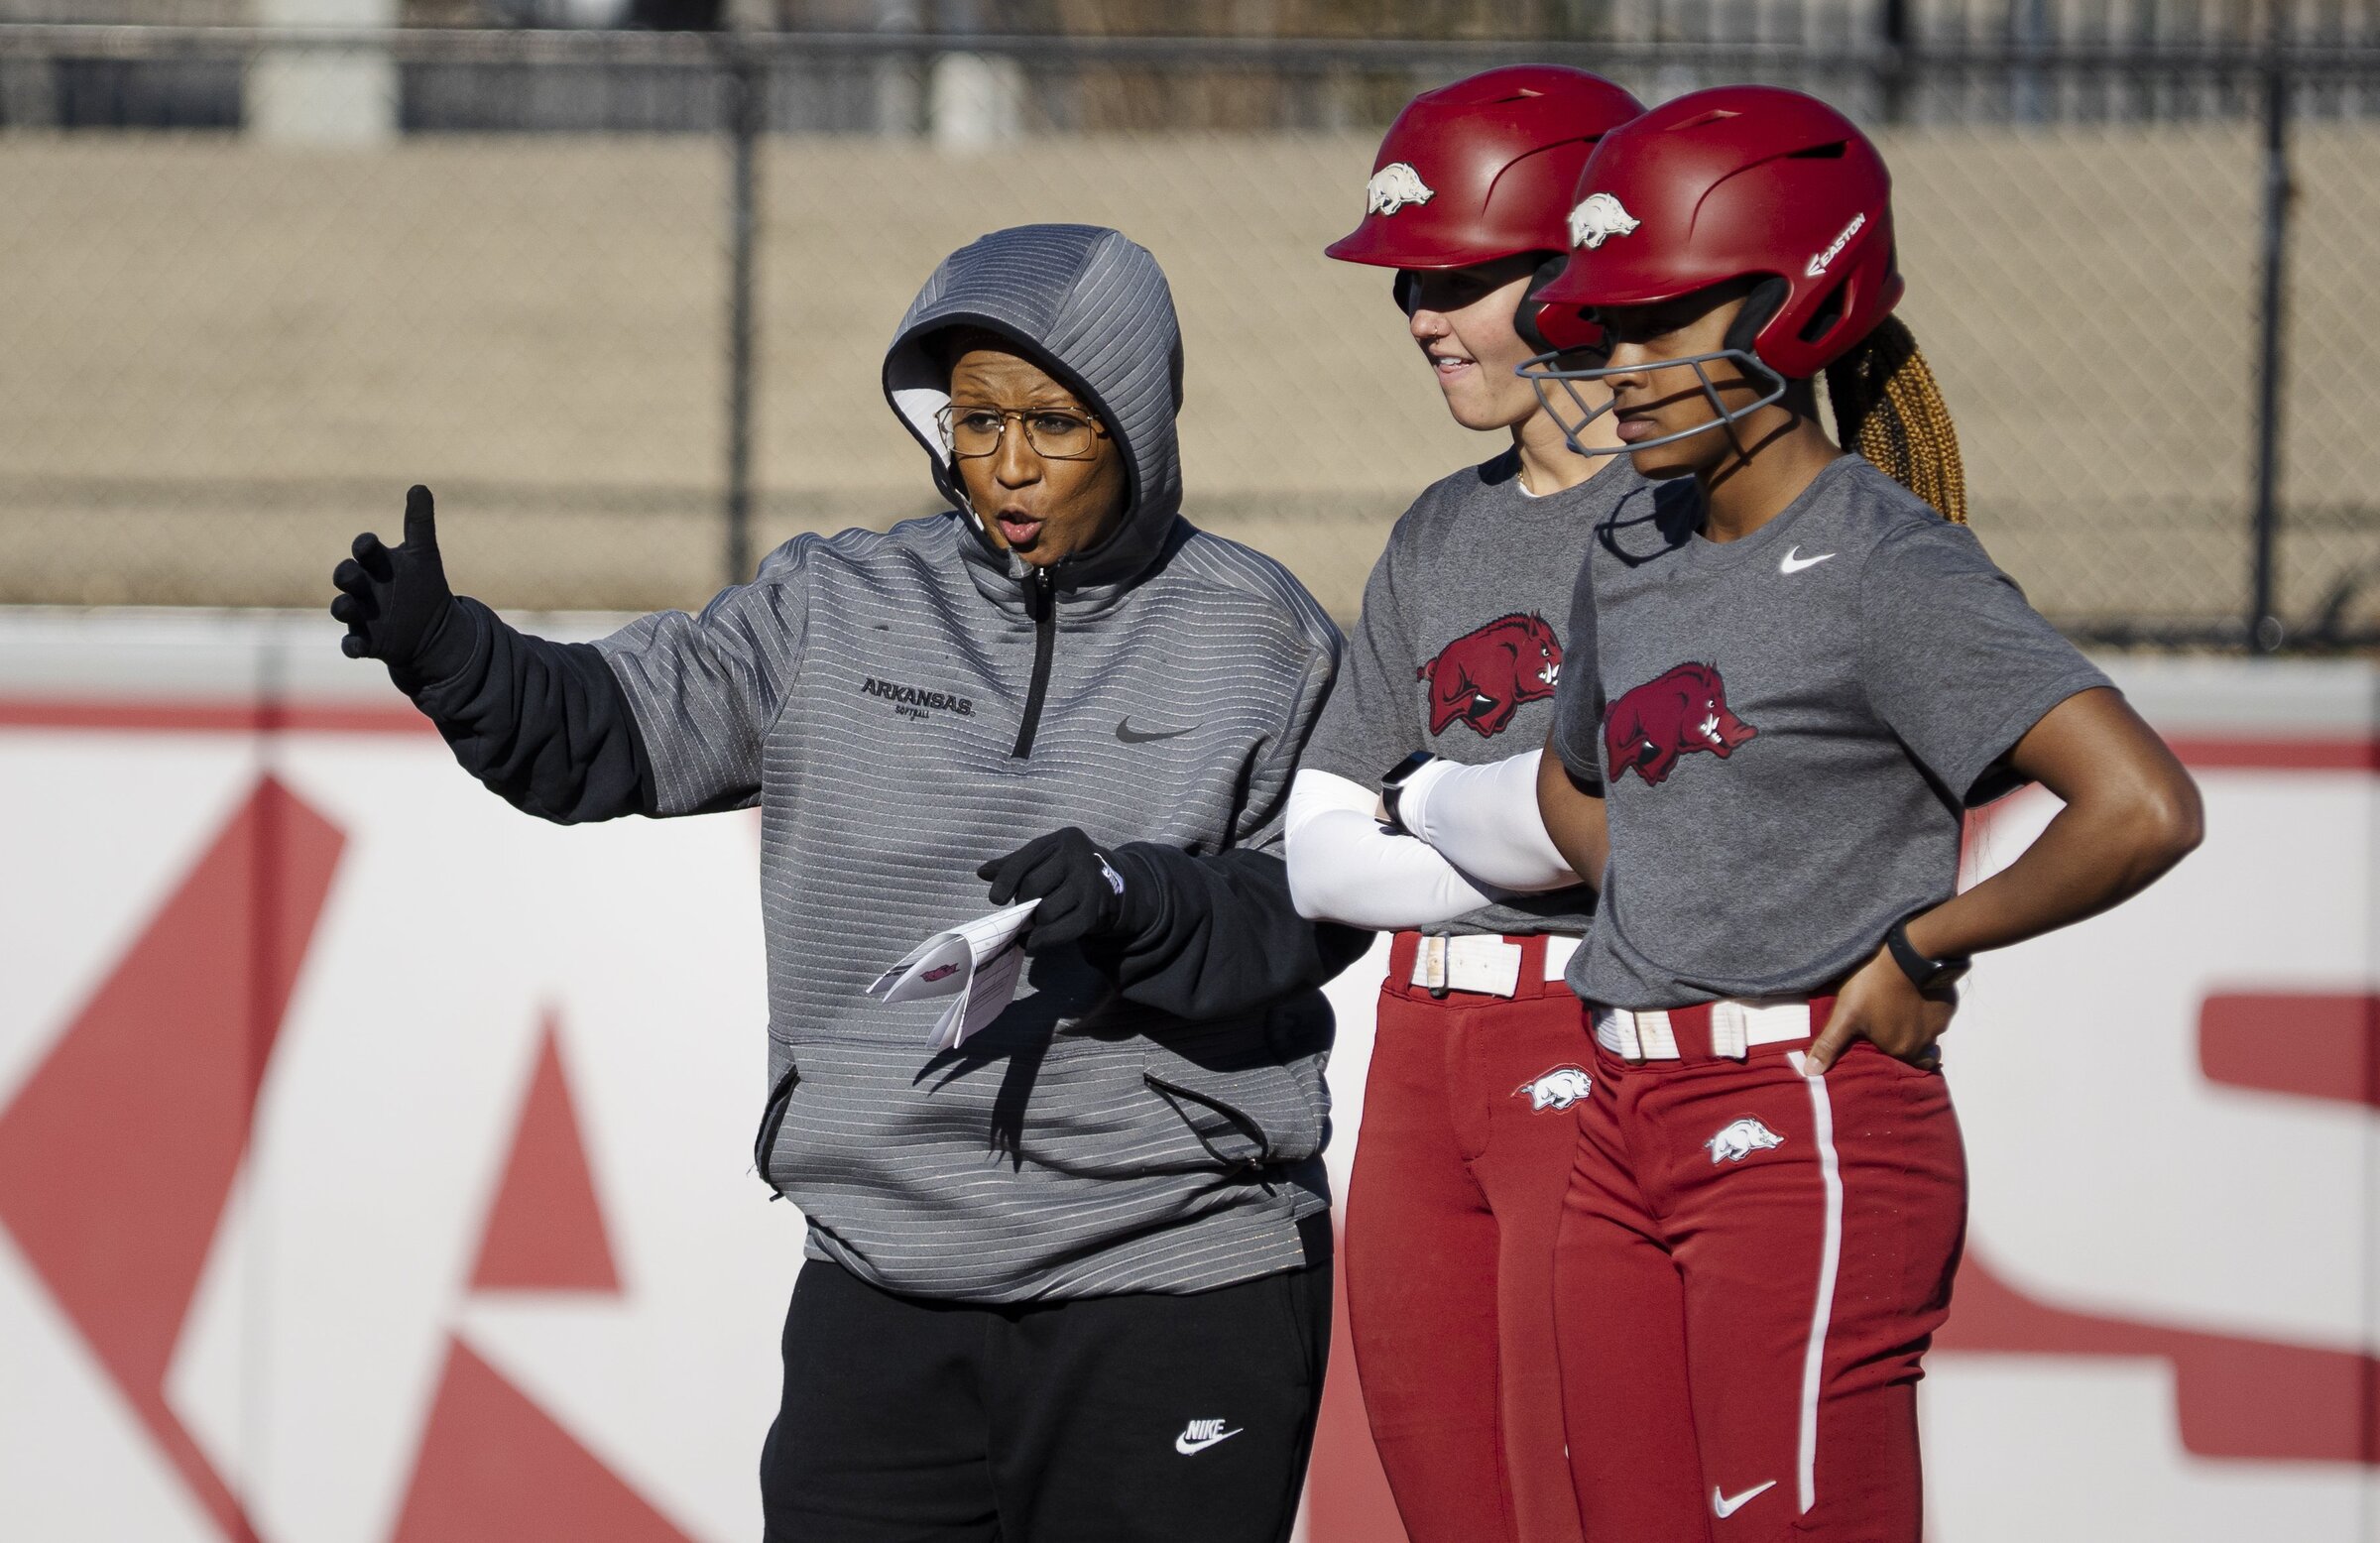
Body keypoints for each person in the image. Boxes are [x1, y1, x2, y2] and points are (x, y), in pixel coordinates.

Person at [329, 223, 1367, 1543]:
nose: (1005, 463)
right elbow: (613, 727)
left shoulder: (1258, 635)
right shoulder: (834, 607)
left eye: (1053, 423)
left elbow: (1311, 911)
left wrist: (1132, 898)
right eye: (975, 420)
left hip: (1172, 1279)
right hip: (882, 1283)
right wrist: (457, 658)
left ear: (1140, 422)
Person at [1384, 85, 2204, 1540]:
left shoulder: (1892, 563)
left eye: (1657, 324)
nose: (1614, 363)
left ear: (1796, 304)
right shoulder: (1636, 535)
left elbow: (2137, 806)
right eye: (1603, 323)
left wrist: (1925, 946)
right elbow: (1579, 787)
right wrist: (1683, 895)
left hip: (1806, 1115)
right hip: (1618, 1114)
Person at [1280, 65, 1641, 1543]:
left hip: (1598, 1028)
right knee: (1446, 1500)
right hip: (1421, 1044)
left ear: (1581, 271)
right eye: (1407, 284)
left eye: (1459, 276)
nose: (1423, 313)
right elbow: (1317, 837)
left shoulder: (1695, 518)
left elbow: (1641, 831)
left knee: (1588, 1496)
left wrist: (1425, 806)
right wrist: (1474, 824)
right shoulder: (1442, 523)